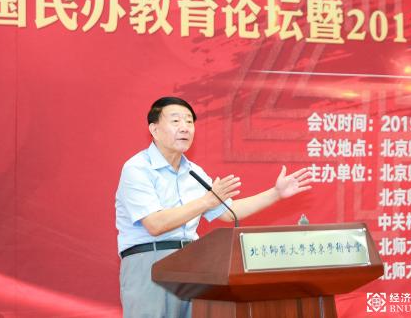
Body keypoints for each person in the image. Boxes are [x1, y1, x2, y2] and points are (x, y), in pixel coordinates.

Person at [115, 97, 312, 318]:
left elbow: (229, 212)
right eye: (176, 121)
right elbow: (155, 224)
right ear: (154, 129)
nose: (185, 128)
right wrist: (206, 201)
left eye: (189, 122)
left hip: (193, 265)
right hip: (149, 262)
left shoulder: (194, 172)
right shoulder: (138, 169)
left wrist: (275, 193)